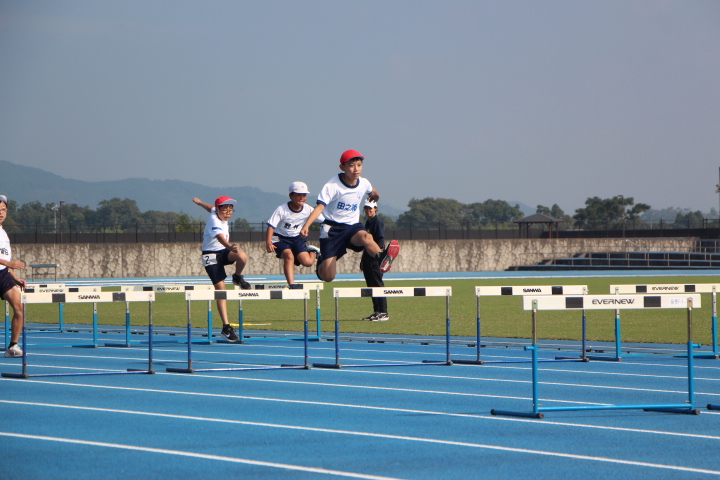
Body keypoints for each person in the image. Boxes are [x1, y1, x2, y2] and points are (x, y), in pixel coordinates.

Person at [300, 149, 399, 282]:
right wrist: (306, 226)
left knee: (366, 236)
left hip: (352, 228)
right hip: (332, 229)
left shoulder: (364, 183)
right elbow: (320, 207)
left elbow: (373, 191)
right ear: (342, 167)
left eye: (359, 165)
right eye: (351, 166)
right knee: (328, 277)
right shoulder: (332, 185)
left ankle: (381, 258)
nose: (356, 169)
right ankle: (321, 261)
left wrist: (375, 197)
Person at [193, 196, 251, 342]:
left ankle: (237, 276)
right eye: (225, 210)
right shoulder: (214, 220)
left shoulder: (214, 211)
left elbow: (209, 207)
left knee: (242, 256)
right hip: (211, 255)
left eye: (230, 211)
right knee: (221, 290)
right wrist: (230, 246)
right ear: (219, 210)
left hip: (223, 252)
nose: (228, 214)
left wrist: (200, 203)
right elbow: (219, 237)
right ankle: (226, 327)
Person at [266, 182, 323, 288]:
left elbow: (323, 220)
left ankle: (313, 251)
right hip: (280, 238)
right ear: (291, 195)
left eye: (304, 195)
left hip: (297, 239)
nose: (302, 198)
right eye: (298, 195)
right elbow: (271, 225)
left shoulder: (308, 209)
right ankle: (291, 284)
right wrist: (269, 242)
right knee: (289, 256)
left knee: (308, 262)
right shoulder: (282, 209)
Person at [0, 195, 27, 357]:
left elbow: (5, 259)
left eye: (3, 210)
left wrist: (15, 277)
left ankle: (12, 347)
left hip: (3, 274)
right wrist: (9, 263)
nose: (1, 213)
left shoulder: (3, 233)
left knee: (19, 307)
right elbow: (7, 261)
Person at [360, 199, 389, 321]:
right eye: (366, 208)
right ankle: (376, 311)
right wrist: (363, 260)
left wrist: (378, 258)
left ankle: (383, 312)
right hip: (367, 258)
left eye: (370, 208)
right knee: (371, 286)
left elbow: (380, 241)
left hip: (374, 259)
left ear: (375, 209)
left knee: (377, 285)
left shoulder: (377, 222)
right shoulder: (368, 223)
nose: (368, 210)